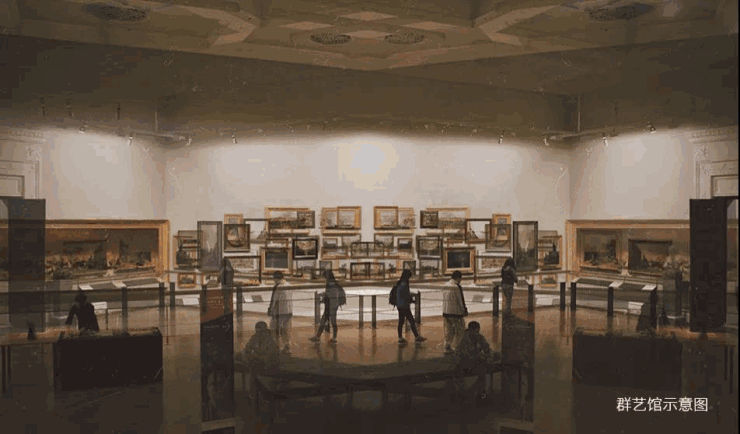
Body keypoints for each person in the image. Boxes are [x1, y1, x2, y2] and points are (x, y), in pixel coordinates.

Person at [456, 321, 496, 400]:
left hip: (476, 361)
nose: (476, 334)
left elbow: (487, 349)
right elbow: (464, 355)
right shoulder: (464, 340)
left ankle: (479, 390)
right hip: (463, 363)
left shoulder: (479, 337)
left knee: (483, 366)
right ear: (470, 330)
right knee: (481, 368)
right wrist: (479, 357)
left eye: (477, 331)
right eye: (474, 332)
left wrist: (488, 356)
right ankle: (478, 391)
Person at [241, 321, 279, 397]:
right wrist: (246, 354)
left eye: (261, 331)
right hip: (257, 361)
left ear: (265, 330)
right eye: (257, 331)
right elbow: (247, 348)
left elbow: (269, 356)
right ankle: (253, 391)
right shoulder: (254, 338)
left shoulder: (270, 340)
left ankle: (254, 391)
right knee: (252, 365)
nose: (259, 334)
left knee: (254, 367)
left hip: (268, 363)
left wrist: (256, 356)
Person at [309, 270, 346, 344]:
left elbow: (329, 294)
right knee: (331, 321)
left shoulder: (330, 283)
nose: (324, 278)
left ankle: (319, 337)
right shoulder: (334, 282)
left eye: (325, 276)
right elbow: (331, 294)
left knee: (326, 321)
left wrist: (321, 296)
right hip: (333, 305)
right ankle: (330, 337)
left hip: (330, 306)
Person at [393, 269, 426, 345]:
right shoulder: (405, 283)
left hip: (399, 305)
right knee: (411, 321)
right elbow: (406, 295)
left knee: (401, 322)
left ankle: (400, 338)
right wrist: (412, 300)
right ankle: (417, 337)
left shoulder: (399, 282)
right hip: (404, 306)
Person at [443, 270, 468, 354]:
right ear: (458, 278)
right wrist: (464, 310)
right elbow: (460, 300)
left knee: (449, 330)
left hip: (446, 311)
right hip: (455, 313)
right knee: (460, 330)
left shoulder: (445, 285)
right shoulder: (457, 286)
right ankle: (457, 347)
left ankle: (447, 346)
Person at [267, 271, 292, 352]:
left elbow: (274, 300)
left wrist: (270, 310)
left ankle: (275, 346)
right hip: (289, 311)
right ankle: (287, 346)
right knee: (285, 330)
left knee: (273, 329)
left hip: (279, 312)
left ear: (275, 278)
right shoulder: (288, 285)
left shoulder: (278, 287)